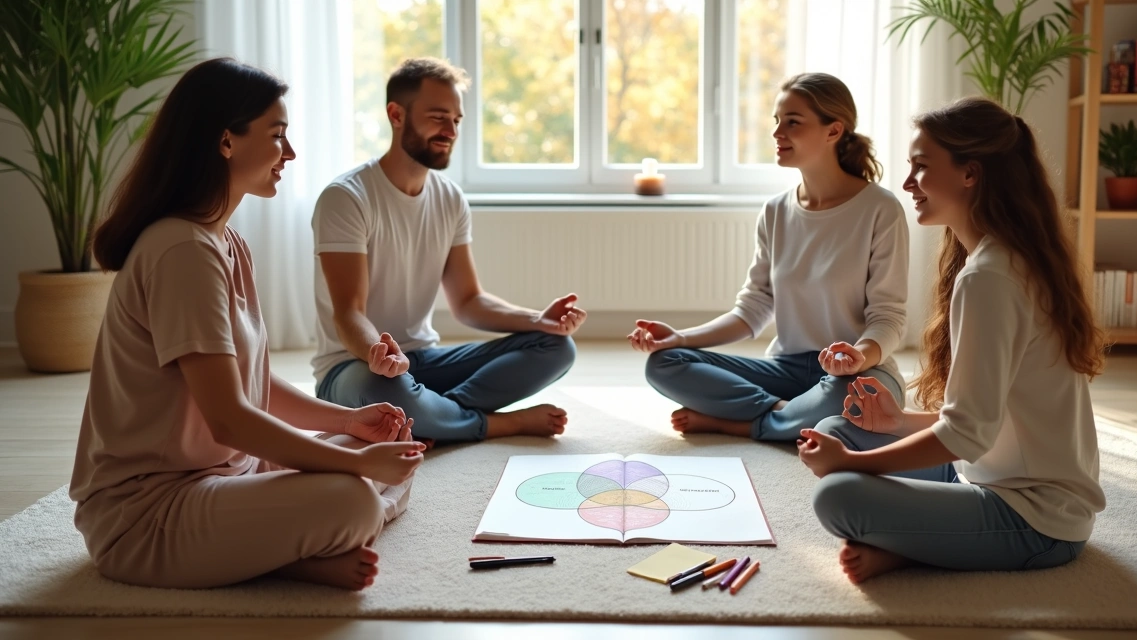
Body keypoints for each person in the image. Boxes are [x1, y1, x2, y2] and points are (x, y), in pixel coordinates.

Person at [74, 58, 425, 591]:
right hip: (147, 515)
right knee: (354, 495)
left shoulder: (226, 243)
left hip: (229, 476)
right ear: (226, 142)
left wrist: (347, 425)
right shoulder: (180, 251)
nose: (290, 153)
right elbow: (230, 421)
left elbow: (251, 385)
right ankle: (287, 553)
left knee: (383, 461)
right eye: (277, 136)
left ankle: (278, 550)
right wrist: (355, 467)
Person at [801, 96, 1107, 584]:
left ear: (970, 174)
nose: (906, 183)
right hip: (986, 475)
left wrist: (857, 464)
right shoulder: (1005, 261)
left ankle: (915, 547)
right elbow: (992, 422)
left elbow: (967, 433)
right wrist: (897, 420)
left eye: (921, 167)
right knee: (837, 429)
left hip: (1036, 522)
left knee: (836, 493)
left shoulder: (991, 277)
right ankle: (920, 539)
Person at [312, 57, 582, 444]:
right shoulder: (346, 197)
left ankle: (437, 414)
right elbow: (348, 311)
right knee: (387, 395)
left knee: (558, 348)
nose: (450, 130)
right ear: (396, 114)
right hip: (355, 367)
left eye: (456, 120)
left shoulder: (450, 198)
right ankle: (496, 423)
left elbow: (469, 301)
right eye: (439, 117)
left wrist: (539, 320)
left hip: (424, 361)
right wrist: (379, 353)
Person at [630, 72, 908, 441]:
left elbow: (888, 317)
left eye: (792, 122)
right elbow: (753, 310)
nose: (777, 134)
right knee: (664, 364)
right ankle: (789, 416)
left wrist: (859, 355)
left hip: (856, 372)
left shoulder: (880, 209)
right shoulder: (776, 211)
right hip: (786, 370)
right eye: (777, 122)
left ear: (833, 131)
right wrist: (680, 338)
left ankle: (746, 422)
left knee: (863, 398)